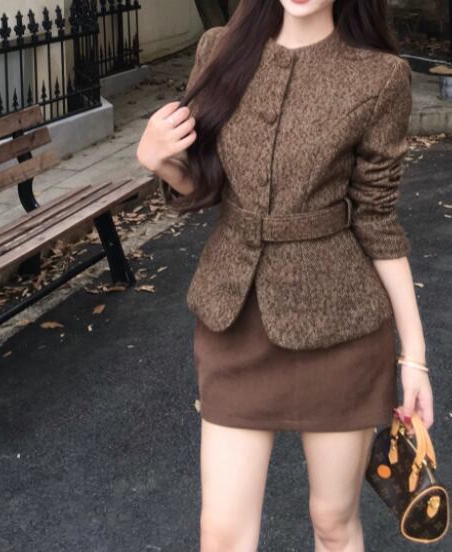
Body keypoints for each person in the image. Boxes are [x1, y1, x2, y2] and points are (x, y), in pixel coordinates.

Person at [136, 0, 434, 550]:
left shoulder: (380, 76)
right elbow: (205, 183)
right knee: (221, 533)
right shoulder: (219, 51)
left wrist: (413, 354)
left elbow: (377, 219)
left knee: (333, 523)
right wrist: (160, 161)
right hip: (234, 321)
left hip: (341, 331)